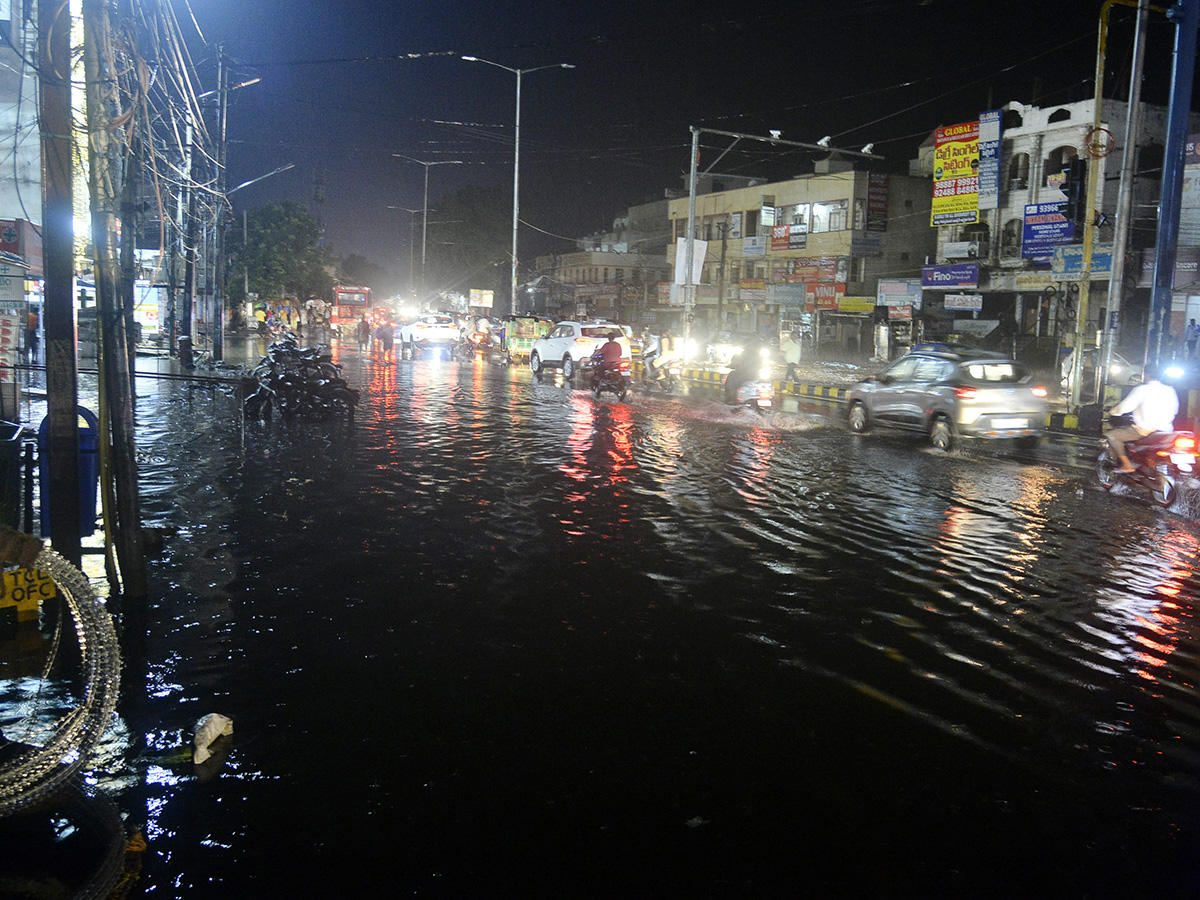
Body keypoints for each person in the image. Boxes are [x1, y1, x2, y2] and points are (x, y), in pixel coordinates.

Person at [1106, 370, 1180, 473]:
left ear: (1147, 375)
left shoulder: (1141, 389)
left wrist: (1112, 412)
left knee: (1112, 435)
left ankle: (1127, 465)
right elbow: (1175, 410)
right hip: (1166, 430)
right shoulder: (1169, 390)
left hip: (1146, 430)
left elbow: (1125, 407)